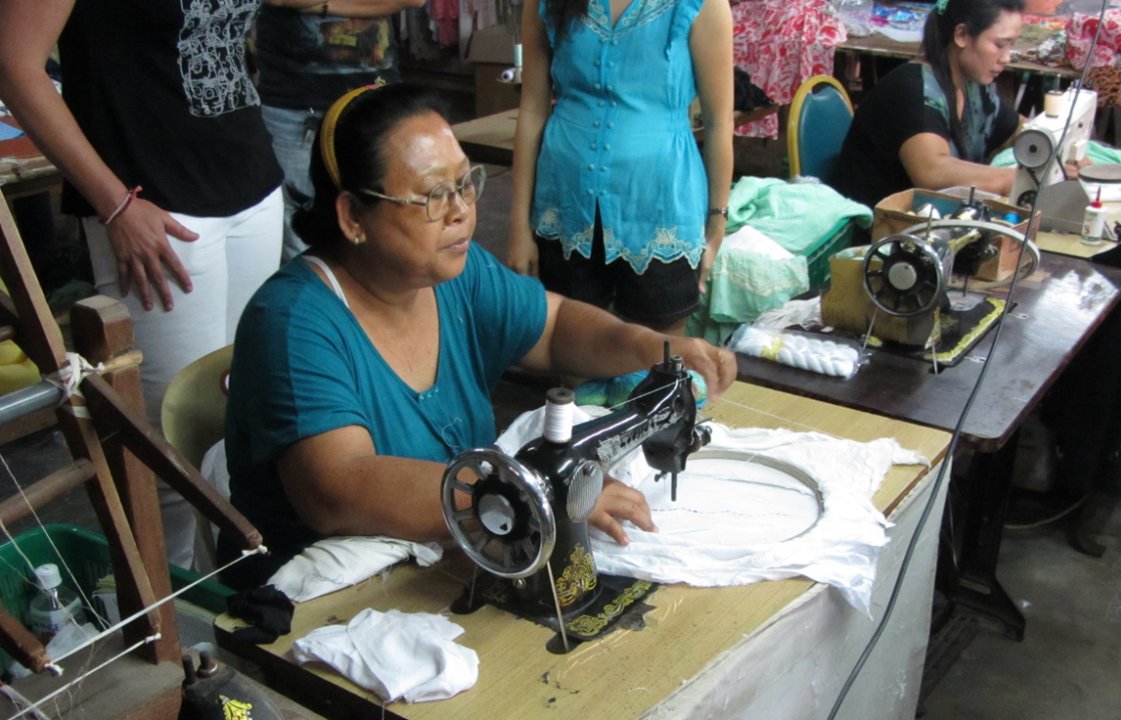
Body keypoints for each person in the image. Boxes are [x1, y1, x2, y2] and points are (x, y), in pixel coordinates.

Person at [216, 83, 738, 589]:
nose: (462, 210)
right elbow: (338, 488)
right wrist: (542, 492)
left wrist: (656, 349)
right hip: (322, 607)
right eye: (433, 197)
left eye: (466, 184)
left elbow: (553, 327)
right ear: (353, 215)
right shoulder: (293, 322)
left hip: (450, 557)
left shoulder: (452, 276)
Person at [0, 0, 284, 569]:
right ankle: (170, 622)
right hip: (154, 207)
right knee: (167, 447)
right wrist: (115, 206)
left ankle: (233, 595)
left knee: (245, 422)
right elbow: (13, 64)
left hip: (250, 181)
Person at [506, 0, 734, 336]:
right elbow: (532, 110)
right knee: (573, 352)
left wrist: (717, 221)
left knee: (657, 361)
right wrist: (518, 227)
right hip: (566, 205)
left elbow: (718, 122)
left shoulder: (702, 4)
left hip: (661, 210)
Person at [256, 0, 426, 264]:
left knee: (388, 225)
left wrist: (320, 6)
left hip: (375, 99)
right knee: (305, 241)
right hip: (297, 105)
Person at [829, 0, 1025, 210]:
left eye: (1011, 45)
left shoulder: (972, 85)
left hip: (928, 226)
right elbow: (932, 170)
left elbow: (1016, 130)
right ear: (961, 35)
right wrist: (1018, 179)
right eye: (999, 44)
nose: (1006, 58)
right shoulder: (913, 89)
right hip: (880, 232)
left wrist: (1048, 150)